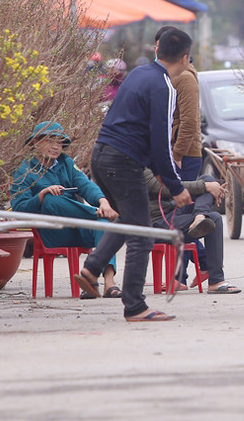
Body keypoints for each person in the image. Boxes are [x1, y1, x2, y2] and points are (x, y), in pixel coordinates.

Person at [75, 28, 193, 322]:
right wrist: (176, 186)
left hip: (102, 154)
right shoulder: (164, 87)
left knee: (130, 220)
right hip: (123, 161)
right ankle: (135, 306)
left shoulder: (140, 74)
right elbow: (161, 142)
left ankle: (92, 267)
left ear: (157, 50)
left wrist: (166, 176)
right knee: (142, 235)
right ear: (186, 58)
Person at [11, 121, 120, 299]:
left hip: (77, 227)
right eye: (50, 141)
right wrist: (42, 194)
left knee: (104, 224)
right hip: (52, 233)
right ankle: (94, 214)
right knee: (51, 199)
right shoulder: (23, 171)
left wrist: (103, 202)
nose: (55, 147)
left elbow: (85, 185)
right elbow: (19, 209)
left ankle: (108, 283)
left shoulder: (66, 162)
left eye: (59, 143)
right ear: (36, 143)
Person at [145, 169, 241, 294]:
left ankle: (200, 215)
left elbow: (176, 183)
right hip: (156, 222)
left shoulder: (158, 159)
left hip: (173, 211)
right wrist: (207, 188)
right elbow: (162, 187)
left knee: (208, 178)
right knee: (213, 214)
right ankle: (216, 280)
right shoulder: (141, 162)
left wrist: (209, 188)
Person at [155, 26, 203, 182]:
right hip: (169, 151)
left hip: (185, 155)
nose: (157, 52)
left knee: (180, 202)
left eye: (160, 47)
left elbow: (189, 120)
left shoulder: (184, 77)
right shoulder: (164, 74)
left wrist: (177, 154)